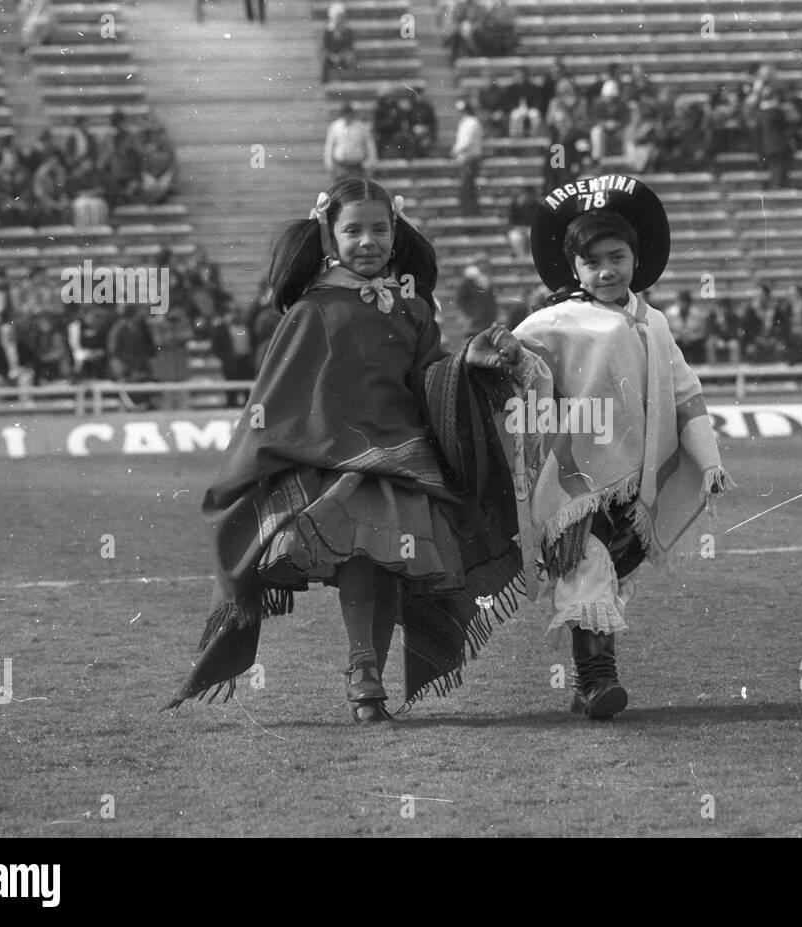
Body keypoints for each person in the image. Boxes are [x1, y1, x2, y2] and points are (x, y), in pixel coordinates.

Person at [165, 178, 530, 725]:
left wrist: (469, 360)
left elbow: (430, 377)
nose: (368, 241)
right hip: (335, 464)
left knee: (388, 566)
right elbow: (280, 397)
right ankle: (362, 674)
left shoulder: (412, 308)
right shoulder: (311, 311)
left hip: (404, 461)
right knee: (364, 551)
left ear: (395, 230)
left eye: (380, 229)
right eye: (353, 230)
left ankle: (370, 682)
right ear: (328, 235)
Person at [511, 173, 734, 720]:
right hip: (570, 476)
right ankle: (597, 681)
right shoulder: (552, 322)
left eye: (618, 256)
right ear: (575, 268)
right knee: (583, 562)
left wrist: (708, 461)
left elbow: (685, 395)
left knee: (608, 571)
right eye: (593, 263)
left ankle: (588, 680)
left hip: (634, 479)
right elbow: (513, 370)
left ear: (637, 256)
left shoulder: (653, 321)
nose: (607, 271)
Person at [324, 103, 378, 179]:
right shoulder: (336, 126)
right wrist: (329, 162)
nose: (347, 115)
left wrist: (370, 161)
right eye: (345, 113)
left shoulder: (361, 126)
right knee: (341, 189)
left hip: (356, 165)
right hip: (340, 165)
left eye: (349, 113)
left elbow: (369, 145)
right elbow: (330, 145)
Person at [450, 98, 485, 215]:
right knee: (468, 187)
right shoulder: (466, 122)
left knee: (467, 187)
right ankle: (470, 211)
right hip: (466, 159)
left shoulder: (471, 122)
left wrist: (455, 150)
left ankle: (471, 212)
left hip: (471, 159)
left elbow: (466, 141)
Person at [321, 3, 356, 83]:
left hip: (343, 56)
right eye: (337, 17)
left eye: (341, 17)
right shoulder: (328, 32)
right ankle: (325, 83)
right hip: (331, 56)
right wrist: (332, 56)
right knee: (324, 61)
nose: (339, 20)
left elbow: (350, 46)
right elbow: (324, 46)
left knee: (350, 59)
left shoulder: (348, 31)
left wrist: (341, 55)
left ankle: (350, 81)